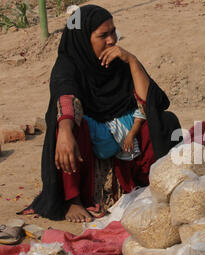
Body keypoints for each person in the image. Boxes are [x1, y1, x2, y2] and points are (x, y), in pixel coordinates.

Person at [19, 5, 181, 223]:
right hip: (89, 142)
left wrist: (132, 61)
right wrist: (66, 132)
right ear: (84, 38)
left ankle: (152, 182)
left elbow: (154, 102)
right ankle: (74, 200)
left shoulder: (119, 62)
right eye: (103, 35)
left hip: (123, 138)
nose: (112, 40)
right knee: (66, 124)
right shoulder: (67, 66)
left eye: (113, 32)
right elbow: (65, 97)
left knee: (166, 120)